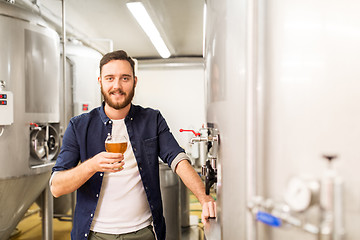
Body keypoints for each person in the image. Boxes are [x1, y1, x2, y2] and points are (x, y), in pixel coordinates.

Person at [50, 50, 216, 240]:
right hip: (94, 234)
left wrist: (204, 199)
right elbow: (56, 187)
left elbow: (177, 159)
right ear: (100, 81)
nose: (117, 86)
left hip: (144, 232)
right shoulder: (79, 125)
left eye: (125, 78)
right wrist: (92, 165)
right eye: (110, 78)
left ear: (135, 81)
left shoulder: (152, 119)